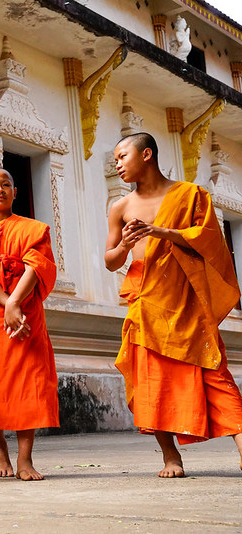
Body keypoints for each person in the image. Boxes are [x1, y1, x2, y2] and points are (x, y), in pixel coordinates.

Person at [105, 132, 242, 478]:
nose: (117, 165)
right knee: (150, 381)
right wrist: (124, 244)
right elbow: (109, 260)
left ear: (146, 154)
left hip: (186, 302)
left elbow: (211, 244)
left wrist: (161, 232)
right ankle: (171, 457)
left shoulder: (191, 195)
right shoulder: (119, 207)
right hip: (146, 302)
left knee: (215, 373)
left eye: (122, 157)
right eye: (115, 161)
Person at [0, 166, 59, 481]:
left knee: (28, 381)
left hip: (26, 308)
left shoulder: (33, 229)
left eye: (6, 183)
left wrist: (16, 303)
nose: (0, 189)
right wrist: (7, 305)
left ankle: (25, 458)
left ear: (15, 192)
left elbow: (36, 265)